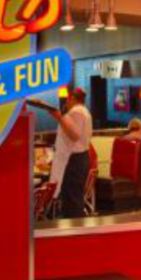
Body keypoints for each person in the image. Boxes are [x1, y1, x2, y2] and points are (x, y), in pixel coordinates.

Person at [48, 87, 92, 217]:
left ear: (72, 98)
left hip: (74, 160)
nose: (66, 102)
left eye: (67, 99)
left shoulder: (77, 112)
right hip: (80, 158)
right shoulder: (84, 111)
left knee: (71, 199)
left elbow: (74, 134)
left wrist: (59, 118)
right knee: (73, 197)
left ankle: (74, 231)